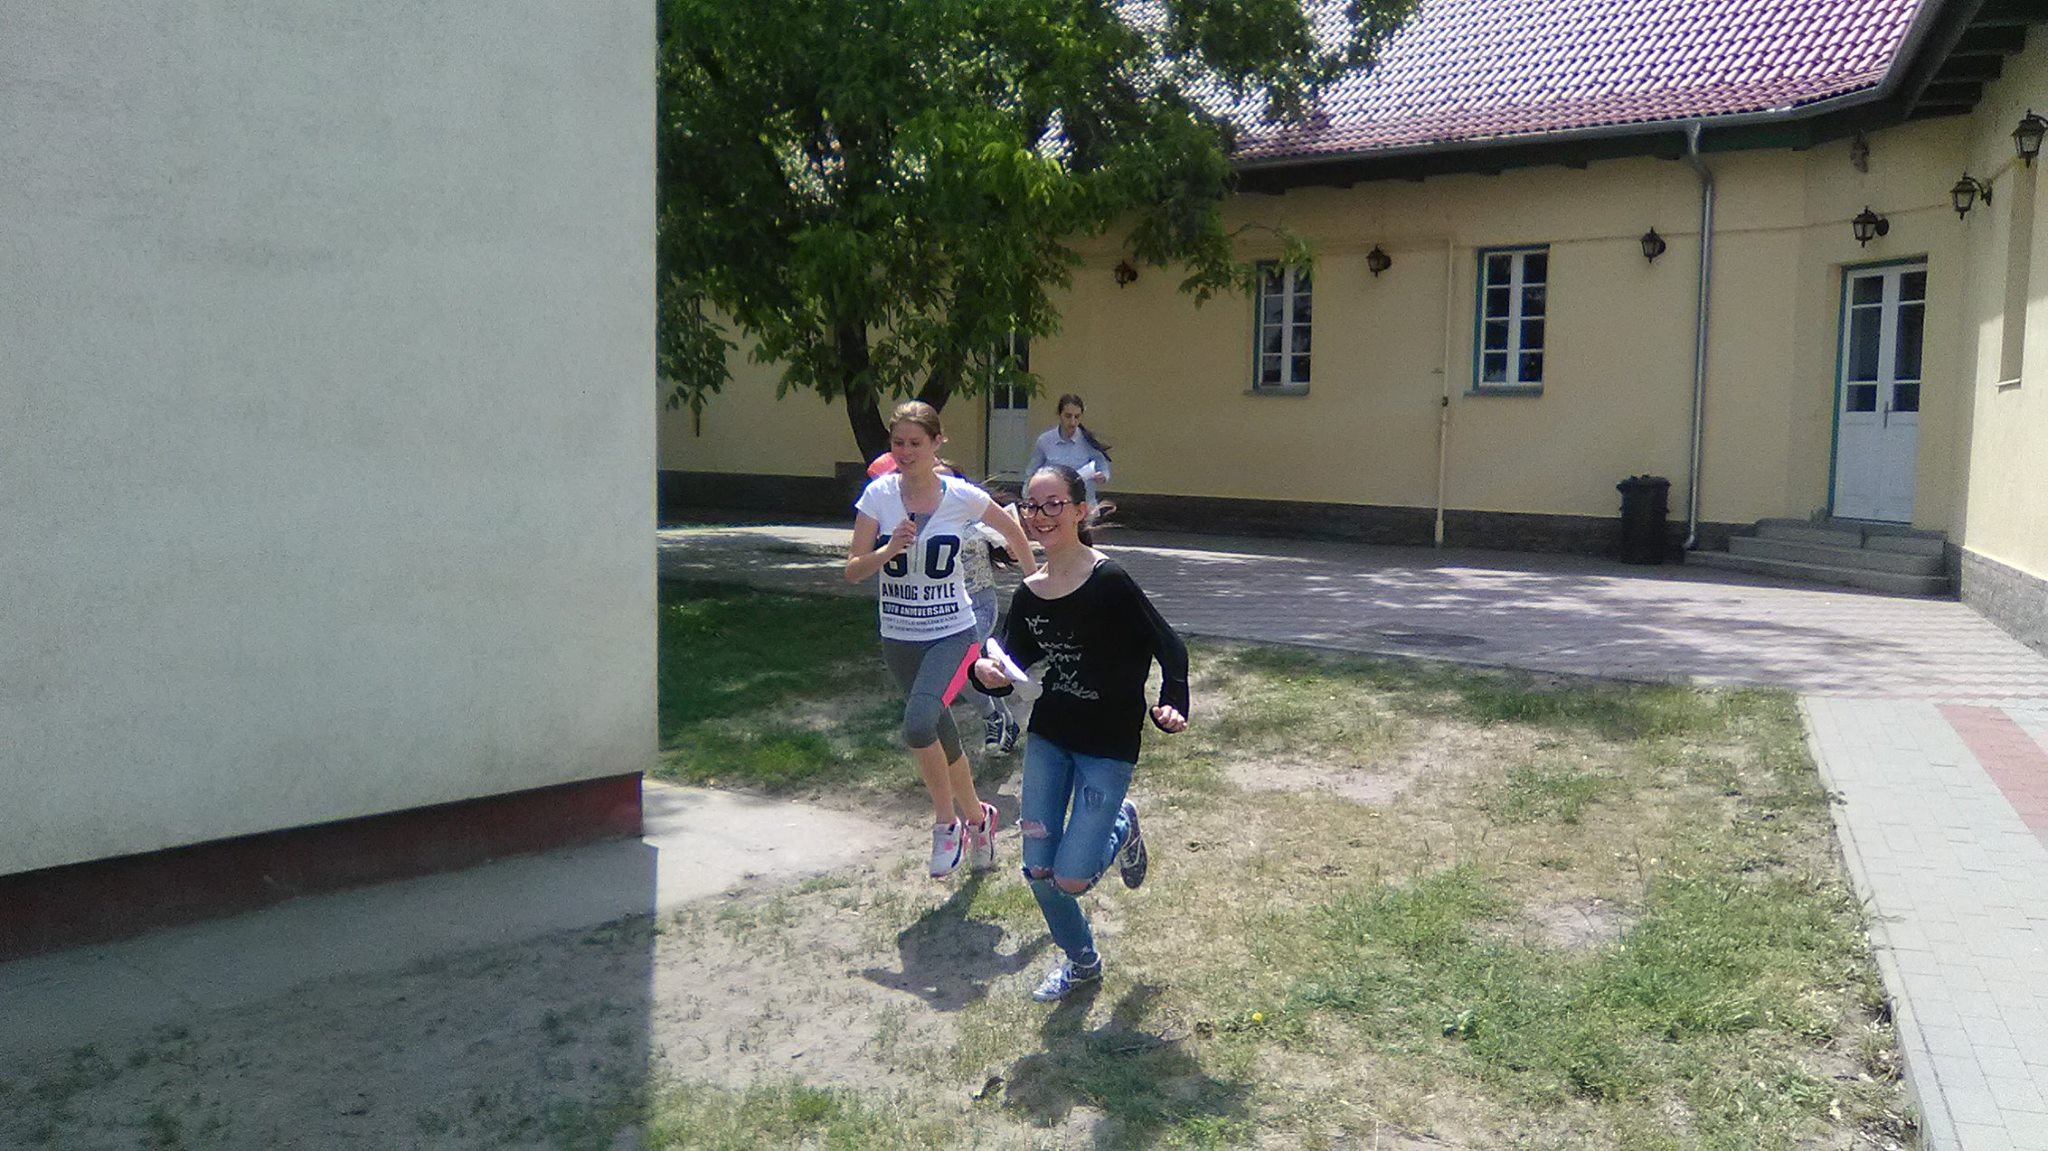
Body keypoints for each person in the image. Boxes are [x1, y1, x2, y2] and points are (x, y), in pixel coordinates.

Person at [972, 464, 1189, 1001]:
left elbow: (1169, 646)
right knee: (1037, 869)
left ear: (1078, 510)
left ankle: (1122, 824)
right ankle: (1082, 961)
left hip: (1108, 746)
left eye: (1053, 504)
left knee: (1071, 877)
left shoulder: (1109, 581)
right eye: (1032, 505)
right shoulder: (1030, 593)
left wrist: (1172, 700)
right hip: (1051, 735)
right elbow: (1007, 662)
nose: (1040, 515)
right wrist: (986, 674)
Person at [847, 403, 1039, 879]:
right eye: (898, 443)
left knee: (918, 726)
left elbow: (1012, 531)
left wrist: (1037, 587)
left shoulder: (961, 496)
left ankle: (946, 824)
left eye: (916, 442)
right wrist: (888, 550)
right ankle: (979, 818)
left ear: (937, 443)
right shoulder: (878, 496)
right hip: (898, 636)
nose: (905, 451)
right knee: (939, 730)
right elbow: (852, 570)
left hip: (954, 633)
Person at [935, 461, 1023, 757]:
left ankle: (992, 717)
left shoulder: (976, 514)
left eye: (948, 482)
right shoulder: (922, 520)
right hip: (944, 608)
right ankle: (1007, 722)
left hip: (980, 605)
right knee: (974, 669)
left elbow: (1011, 545)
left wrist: (1013, 549)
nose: (942, 489)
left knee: (959, 665)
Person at [1026, 394, 1113, 509]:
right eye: (1068, 416)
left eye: (1077, 417)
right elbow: (1032, 473)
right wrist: (1028, 501)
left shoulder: (1088, 440)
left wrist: (1103, 476)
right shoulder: (1044, 441)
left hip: (1085, 506)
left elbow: (1102, 465)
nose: (1072, 422)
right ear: (1059, 414)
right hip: (1054, 507)